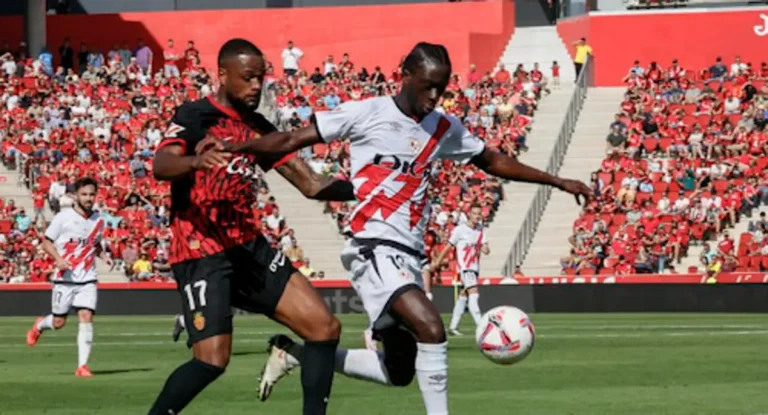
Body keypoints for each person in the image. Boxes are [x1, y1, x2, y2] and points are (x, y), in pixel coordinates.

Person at [208, 42, 591, 415]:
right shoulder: (366, 113)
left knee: (399, 371)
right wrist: (237, 147)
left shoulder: (443, 127)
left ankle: (295, 353)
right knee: (431, 327)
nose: (436, 94)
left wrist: (556, 181)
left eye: (442, 86)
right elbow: (292, 139)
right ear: (404, 76)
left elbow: (489, 160)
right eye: (428, 85)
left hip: (409, 253)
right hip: (373, 245)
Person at [146, 38, 355, 415]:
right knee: (212, 360)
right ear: (223, 75)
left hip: (248, 246)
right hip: (201, 249)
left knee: (323, 328)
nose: (257, 86)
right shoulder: (195, 116)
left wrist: (366, 189)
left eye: (261, 77)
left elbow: (310, 184)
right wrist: (194, 163)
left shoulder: (257, 127)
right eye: (248, 78)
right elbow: (161, 165)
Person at [26, 177, 112, 378]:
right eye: (84, 194)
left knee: (86, 316)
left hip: (88, 278)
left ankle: (82, 366)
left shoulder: (98, 220)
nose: (88, 198)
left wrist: (104, 256)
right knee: (58, 323)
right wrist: (58, 259)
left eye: (91, 194)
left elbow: (94, 244)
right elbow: (46, 242)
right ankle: (40, 325)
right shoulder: (63, 218)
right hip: (65, 278)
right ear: (75, 196)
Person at [431, 204, 489, 336]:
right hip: (465, 267)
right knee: (474, 294)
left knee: (463, 295)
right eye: (474, 213)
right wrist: (438, 261)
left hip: (475, 268)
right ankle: (481, 327)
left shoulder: (480, 230)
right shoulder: (460, 230)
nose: (477, 216)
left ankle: (453, 326)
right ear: (469, 214)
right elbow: (448, 247)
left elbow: (485, 247)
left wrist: (485, 248)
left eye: (479, 213)